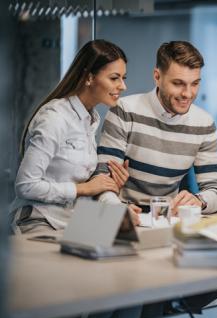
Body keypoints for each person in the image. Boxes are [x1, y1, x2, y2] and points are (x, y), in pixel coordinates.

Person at [94, 40, 217, 318]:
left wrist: (199, 201)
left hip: (164, 226)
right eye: (178, 83)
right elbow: (102, 179)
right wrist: (118, 212)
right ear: (157, 76)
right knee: (118, 308)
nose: (188, 94)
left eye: (195, 84)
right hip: (123, 224)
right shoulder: (125, 110)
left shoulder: (204, 124)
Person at [9, 39, 134, 235]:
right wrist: (84, 189)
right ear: (89, 77)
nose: (123, 86)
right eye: (114, 78)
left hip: (72, 221)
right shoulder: (55, 118)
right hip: (38, 220)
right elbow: (25, 186)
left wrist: (110, 184)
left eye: (123, 78)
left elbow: (81, 181)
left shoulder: (90, 119)